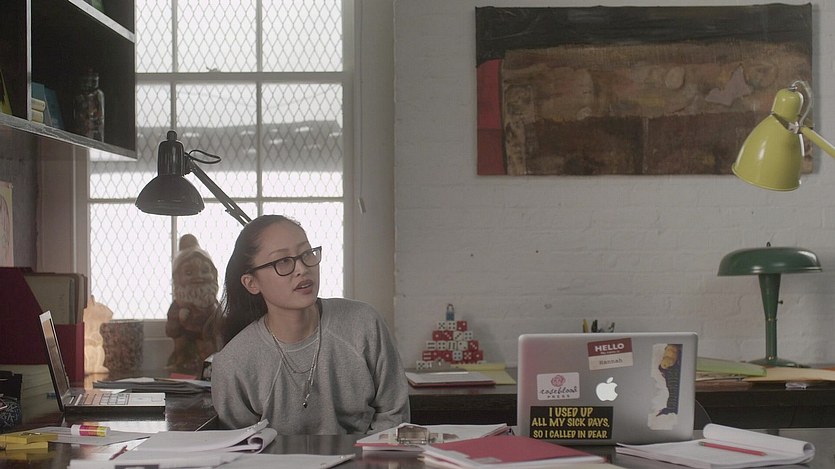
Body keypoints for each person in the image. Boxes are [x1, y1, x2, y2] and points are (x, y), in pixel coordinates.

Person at [212, 214, 410, 434]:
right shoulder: (233, 364)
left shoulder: (364, 324)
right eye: (283, 261)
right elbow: (242, 446)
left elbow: (393, 417)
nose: (302, 269)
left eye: (306, 253)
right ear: (251, 283)